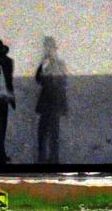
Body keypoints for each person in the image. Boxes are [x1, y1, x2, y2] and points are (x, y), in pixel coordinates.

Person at [33, 36, 70, 164]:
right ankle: (42, 159)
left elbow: (63, 81)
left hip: (55, 104)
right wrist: (42, 67)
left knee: (54, 134)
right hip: (46, 104)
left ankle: (54, 160)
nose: (48, 50)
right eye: (46, 48)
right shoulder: (44, 63)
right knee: (42, 133)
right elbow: (38, 79)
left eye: (50, 48)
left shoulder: (60, 64)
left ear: (54, 49)